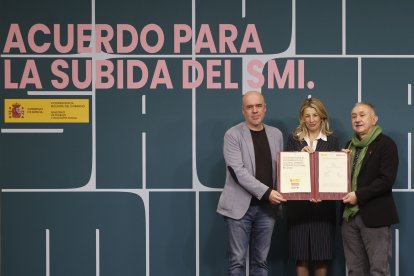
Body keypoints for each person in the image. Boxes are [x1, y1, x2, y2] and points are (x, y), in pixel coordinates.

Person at [217, 91, 286, 276]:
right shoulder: (232, 135)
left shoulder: (276, 134)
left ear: (265, 108)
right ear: (243, 110)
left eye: (258, 106)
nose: (254, 111)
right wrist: (268, 192)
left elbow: (283, 168)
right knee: (237, 263)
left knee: (261, 263)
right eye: (249, 107)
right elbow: (237, 172)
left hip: (267, 210)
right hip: (239, 209)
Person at [341, 102, 399, 276]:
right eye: (353, 116)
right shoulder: (348, 147)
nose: (357, 119)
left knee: (378, 270)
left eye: (362, 115)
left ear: (374, 119)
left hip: (375, 217)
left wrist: (358, 195)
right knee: (355, 271)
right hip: (348, 218)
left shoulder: (386, 144)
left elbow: (386, 180)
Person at [285, 98, 339, 276]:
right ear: (302, 118)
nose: (311, 119)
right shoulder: (294, 140)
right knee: (301, 257)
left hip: (323, 208)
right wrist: (299, 156)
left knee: (321, 257)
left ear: (322, 116)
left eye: (315, 115)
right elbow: (288, 171)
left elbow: (334, 174)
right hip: (298, 209)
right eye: (307, 115)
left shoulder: (332, 140)